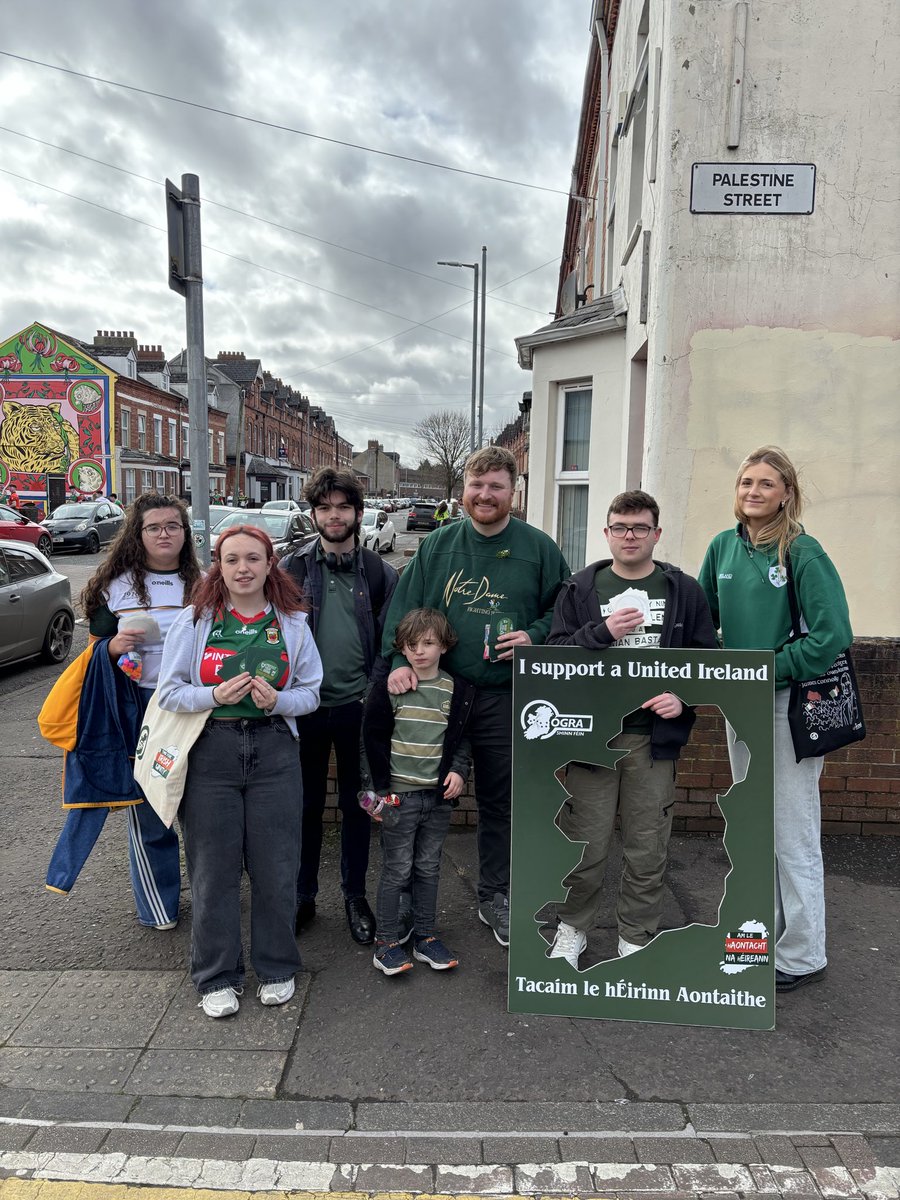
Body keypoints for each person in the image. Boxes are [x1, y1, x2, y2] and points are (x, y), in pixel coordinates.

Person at [382, 445, 570, 947]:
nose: (485, 495)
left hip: (507, 695)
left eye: (496, 486)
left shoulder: (539, 548)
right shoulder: (438, 546)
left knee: (501, 802)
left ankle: (496, 896)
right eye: (477, 484)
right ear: (463, 489)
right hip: (438, 695)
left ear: (514, 492)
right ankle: (401, 899)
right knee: (414, 794)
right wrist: (401, 663)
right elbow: (405, 611)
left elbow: (567, 611)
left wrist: (535, 633)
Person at [699, 446, 852, 993]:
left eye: (766, 483)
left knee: (791, 830)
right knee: (752, 826)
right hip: (738, 702)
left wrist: (769, 669)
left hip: (785, 702)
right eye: (745, 482)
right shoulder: (721, 547)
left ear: (786, 492)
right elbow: (703, 622)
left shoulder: (803, 551)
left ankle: (804, 953)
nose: (753, 492)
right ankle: (763, 936)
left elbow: (833, 635)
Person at [545, 490, 718, 968]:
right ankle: (572, 928)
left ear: (656, 534)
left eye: (640, 528)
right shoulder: (580, 588)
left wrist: (682, 697)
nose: (630, 536)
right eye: (620, 527)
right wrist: (603, 633)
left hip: (651, 741)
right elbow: (553, 656)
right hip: (592, 739)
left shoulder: (684, 591)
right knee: (585, 844)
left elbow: (706, 660)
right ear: (606, 533)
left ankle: (637, 936)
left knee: (647, 846)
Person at [156, 525, 323, 1018]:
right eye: (232, 560)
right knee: (213, 870)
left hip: (274, 753)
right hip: (211, 751)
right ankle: (216, 976)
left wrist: (279, 701)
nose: (243, 568)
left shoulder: (292, 623)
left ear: (271, 565)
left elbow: (312, 691)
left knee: (276, 867)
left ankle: (275, 967)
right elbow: (167, 692)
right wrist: (214, 696)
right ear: (219, 566)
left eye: (254, 558)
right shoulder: (195, 621)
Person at [61, 494, 201, 928]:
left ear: (185, 533)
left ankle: (213, 897)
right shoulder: (114, 585)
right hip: (137, 705)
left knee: (202, 808)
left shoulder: (207, 582)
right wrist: (112, 647)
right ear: (137, 535)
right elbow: (92, 650)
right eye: (154, 527)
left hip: (195, 707)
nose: (164, 534)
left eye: (172, 526)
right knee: (150, 808)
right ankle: (159, 907)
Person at [281, 468, 398, 945]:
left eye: (343, 507)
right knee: (304, 806)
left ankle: (354, 896)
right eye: (325, 507)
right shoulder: (289, 569)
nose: (334, 515)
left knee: (358, 805)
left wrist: (375, 693)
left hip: (359, 706)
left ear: (357, 513)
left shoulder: (379, 573)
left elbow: (391, 643)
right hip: (303, 709)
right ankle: (302, 896)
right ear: (313, 514)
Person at [362, 608, 474, 975]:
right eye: (411, 645)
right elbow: (371, 739)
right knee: (396, 870)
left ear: (444, 645)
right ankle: (387, 943)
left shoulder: (455, 690)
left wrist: (458, 771)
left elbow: (461, 739)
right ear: (402, 649)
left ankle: (426, 936)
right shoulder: (392, 687)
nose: (420, 651)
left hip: (437, 798)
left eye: (428, 643)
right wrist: (373, 793)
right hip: (399, 797)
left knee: (428, 868)